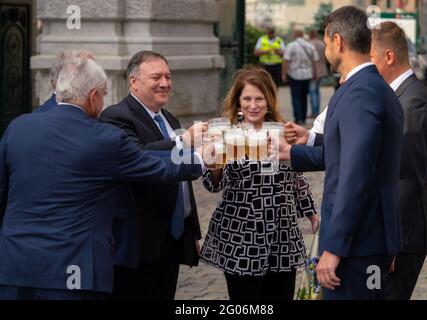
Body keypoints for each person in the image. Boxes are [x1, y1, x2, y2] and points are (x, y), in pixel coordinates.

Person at [0, 57, 206, 300]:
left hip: (17, 264)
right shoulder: (103, 137)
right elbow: (155, 167)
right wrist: (201, 158)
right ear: (93, 96)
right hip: (75, 268)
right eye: (104, 95)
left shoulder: (18, 127)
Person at [277, 6, 404, 300]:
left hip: (358, 246)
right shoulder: (372, 86)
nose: (324, 50)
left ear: (338, 41)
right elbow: (345, 155)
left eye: (324, 43)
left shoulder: (360, 92)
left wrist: (333, 248)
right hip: (370, 241)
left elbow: (355, 173)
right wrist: (292, 154)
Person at [199, 65, 320, 301]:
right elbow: (213, 185)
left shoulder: (283, 131)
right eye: (247, 99)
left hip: (281, 231)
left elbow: (296, 176)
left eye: (259, 99)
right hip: (241, 233)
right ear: (238, 101)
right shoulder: (226, 133)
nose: (253, 105)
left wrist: (311, 213)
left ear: (269, 100)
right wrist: (214, 164)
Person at [99, 51, 207, 300]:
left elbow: (181, 182)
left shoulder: (169, 118)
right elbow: (138, 156)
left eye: (168, 77)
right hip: (139, 244)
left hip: (172, 238)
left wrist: (191, 232)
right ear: (134, 82)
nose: (165, 83)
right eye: (156, 77)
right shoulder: (116, 117)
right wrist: (184, 141)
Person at [371, 21, 427, 300]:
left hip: (403, 237)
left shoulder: (412, 102)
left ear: (388, 57)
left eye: (370, 59)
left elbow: (406, 178)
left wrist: (392, 242)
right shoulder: (398, 95)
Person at [282, 28, 319, 124]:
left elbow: (286, 61)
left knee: (296, 97)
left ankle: (298, 119)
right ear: (302, 35)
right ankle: (303, 117)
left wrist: (284, 74)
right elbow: (315, 61)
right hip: (307, 75)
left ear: (295, 35)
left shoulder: (291, 46)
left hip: (294, 75)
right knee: (304, 97)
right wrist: (315, 73)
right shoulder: (310, 46)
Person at [308, 30, 329, 118]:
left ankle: (314, 112)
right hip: (322, 70)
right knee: (317, 91)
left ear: (310, 35)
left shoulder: (309, 45)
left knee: (312, 91)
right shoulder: (322, 44)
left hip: (313, 71)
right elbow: (326, 57)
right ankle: (316, 111)